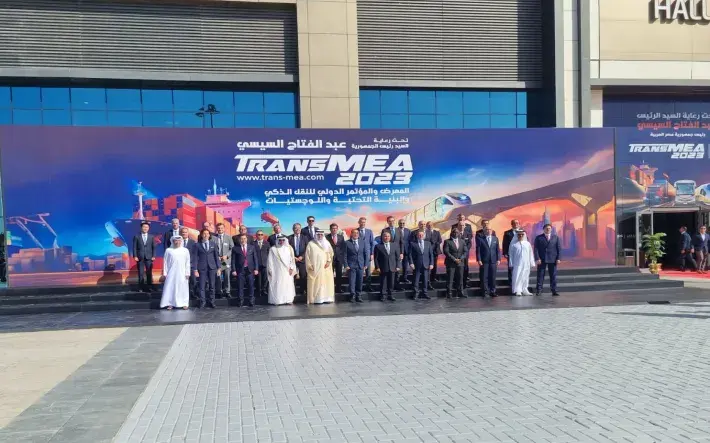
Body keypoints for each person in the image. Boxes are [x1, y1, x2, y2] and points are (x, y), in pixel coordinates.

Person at [160, 236, 191, 310]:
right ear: (173, 241)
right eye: (176, 241)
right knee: (170, 288)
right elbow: (165, 263)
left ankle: (184, 303)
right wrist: (165, 273)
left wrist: (187, 273)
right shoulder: (168, 250)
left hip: (182, 273)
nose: (177, 242)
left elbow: (187, 262)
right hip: (171, 273)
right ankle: (170, 303)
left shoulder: (185, 250)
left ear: (181, 241)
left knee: (183, 288)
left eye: (179, 241)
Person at [305, 229, 335, 304]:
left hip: (325, 268)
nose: (320, 236)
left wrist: (328, 261)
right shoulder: (311, 244)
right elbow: (307, 256)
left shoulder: (327, 243)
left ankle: (327, 298)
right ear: (316, 235)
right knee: (316, 283)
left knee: (326, 283)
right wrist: (309, 265)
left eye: (321, 234)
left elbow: (331, 253)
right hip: (315, 268)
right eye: (318, 234)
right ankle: (317, 299)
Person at [192, 228, 219, 309]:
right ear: (201, 235)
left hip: (212, 268)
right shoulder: (197, 245)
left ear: (209, 235)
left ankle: (212, 302)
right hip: (202, 268)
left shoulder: (213, 244)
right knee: (202, 286)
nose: (206, 235)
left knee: (212, 286)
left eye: (207, 233)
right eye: (204, 233)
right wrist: (195, 269)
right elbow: (195, 258)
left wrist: (219, 268)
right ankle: (203, 302)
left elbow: (216, 257)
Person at [267, 235, 297, 305]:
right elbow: (270, 260)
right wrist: (270, 270)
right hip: (277, 270)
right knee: (278, 284)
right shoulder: (273, 249)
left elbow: (292, 259)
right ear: (277, 241)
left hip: (287, 271)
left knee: (288, 284)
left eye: (283, 240)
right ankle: (278, 300)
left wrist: (292, 268)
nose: (282, 241)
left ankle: (288, 299)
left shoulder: (289, 248)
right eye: (280, 240)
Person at [231, 234, 259, 307]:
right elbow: (233, 260)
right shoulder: (235, 248)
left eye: (244, 238)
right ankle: (240, 301)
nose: (243, 240)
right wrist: (233, 270)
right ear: (239, 240)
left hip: (250, 270)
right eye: (242, 239)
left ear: (247, 239)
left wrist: (256, 269)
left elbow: (255, 259)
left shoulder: (252, 247)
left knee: (251, 286)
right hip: (240, 270)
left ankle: (251, 301)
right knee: (240, 286)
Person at [534, 224, 561, 296]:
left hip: (553, 259)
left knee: (553, 276)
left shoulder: (556, 237)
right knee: (540, 275)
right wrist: (537, 258)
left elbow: (559, 249)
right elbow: (536, 249)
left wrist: (558, 258)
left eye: (549, 228)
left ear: (551, 229)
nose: (548, 229)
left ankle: (554, 290)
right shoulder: (539, 238)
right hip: (542, 259)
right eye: (546, 228)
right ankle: (539, 290)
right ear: (543, 229)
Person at [345, 228, 370, 303]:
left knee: (360, 281)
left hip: (360, 265)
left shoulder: (363, 242)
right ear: (351, 234)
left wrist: (366, 264)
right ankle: (352, 295)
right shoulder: (347, 243)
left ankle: (358, 295)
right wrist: (346, 265)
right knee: (352, 281)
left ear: (358, 234)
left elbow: (366, 253)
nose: (355, 234)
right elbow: (344, 255)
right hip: (351, 265)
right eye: (354, 233)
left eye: (357, 233)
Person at [374, 231, 400, 301]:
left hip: (393, 267)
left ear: (390, 237)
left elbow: (397, 257)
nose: (387, 237)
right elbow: (376, 258)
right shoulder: (378, 246)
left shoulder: (394, 245)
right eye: (385, 236)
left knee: (391, 282)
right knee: (383, 282)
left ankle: (390, 295)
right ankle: (383, 295)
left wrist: (398, 266)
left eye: (388, 236)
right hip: (383, 267)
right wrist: (377, 267)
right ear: (382, 237)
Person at [508, 230, 535, 296]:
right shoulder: (513, 244)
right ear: (517, 235)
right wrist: (511, 263)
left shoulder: (527, 244)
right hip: (517, 264)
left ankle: (525, 289)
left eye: (522, 234)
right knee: (517, 276)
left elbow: (530, 254)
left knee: (525, 277)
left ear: (524, 235)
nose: (520, 236)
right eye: (519, 235)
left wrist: (532, 262)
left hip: (526, 264)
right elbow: (511, 255)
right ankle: (518, 290)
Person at [476, 227, 500, 298]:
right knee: (484, 277)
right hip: (484, 261)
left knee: (492, 277)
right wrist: (479, 259)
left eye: (490, 229)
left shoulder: (495, 239)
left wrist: (498, 259)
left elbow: (497, 250)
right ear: (484, 231)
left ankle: (493, 291)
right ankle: (485, 292)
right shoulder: (480, 239)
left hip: (493, 261)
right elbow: (478, 250)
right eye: (487, 230)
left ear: (492, 231)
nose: (488, 231)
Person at [443, 227, 468, 298]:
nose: (455, 233)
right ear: (451, 233)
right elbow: (446, 252)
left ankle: (460, 292)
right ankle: (449, 293)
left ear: (459, 233)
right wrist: (454, 259)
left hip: (460, 262)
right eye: (454, 232)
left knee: (460, 278)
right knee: (450, 278)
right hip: (451, 263)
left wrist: (461, 258)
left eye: (457, 232)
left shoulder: (462, 241)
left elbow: (465, 251)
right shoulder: (447, 241)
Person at [409, 230, 434, 300]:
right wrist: (411, 263)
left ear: (424, 236)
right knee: (416, 280)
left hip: (426, 264)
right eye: (419, 235)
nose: (420, 236)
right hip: (416, 264)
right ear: (417, 236)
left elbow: (431, 255)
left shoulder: (428, 243)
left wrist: (431, 263)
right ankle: (416, 293)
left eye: (422, 235)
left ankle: (424, 293)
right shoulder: (412, 244)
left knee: (425, 280)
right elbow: (409, 254)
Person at [132, 221, 156, 292]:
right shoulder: (137, 236)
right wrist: (135, 256)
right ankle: (141, 287)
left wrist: (153, 256)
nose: (145, 228)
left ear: (148, 228)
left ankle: (149, 287)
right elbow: (134, 247)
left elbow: (154, 247)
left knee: (149, 273)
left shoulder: (151, 237)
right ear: (141, 228)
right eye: (144, 227)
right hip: (140, 257)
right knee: (141, 273)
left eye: (147, 227)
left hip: (149, 257)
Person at [451, 214, 473, 287]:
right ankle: (456, 283)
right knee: (456, 267)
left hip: (465, 253)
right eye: (460, 218)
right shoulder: (454, 228)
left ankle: (464, 282)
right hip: (456, 253)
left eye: (463, 225)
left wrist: (465, 251)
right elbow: (452, 239)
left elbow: (469, 242)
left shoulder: (468, 230)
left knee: (465, 267)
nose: (462, 226)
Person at [213, 223, 234, 298]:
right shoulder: (213, 238)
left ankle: (227, 291)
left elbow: (232, 248)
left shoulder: (229, 237)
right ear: (216, 229)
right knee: (218, 276)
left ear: (224, 229)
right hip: (217, 261)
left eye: (221, 228)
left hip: (225, 261)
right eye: (218, 228)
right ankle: (219, 291)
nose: (220, 229)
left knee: (226, 275)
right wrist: (216, 257)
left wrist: (227, 256)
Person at [289, 223, 309, 295]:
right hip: (293, 260)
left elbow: (307, 248)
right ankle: (293, 291)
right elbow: (287, 249)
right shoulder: (289, 238)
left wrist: (302, 256)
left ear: (301, 229)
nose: (297, 229)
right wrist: (293, 257)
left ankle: (302, 291)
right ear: (293, 229)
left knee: (303, 276)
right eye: (295, 228)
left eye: (298, 228)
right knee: (293, 276)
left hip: (302, 260)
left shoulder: (305, 237)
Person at [326, 223, 346, 293]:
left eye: (335, 228)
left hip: (339, 259)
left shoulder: (341, 237)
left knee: (339, 274)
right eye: (333, 228)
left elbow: (343, 248)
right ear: (330, 229)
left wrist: (342, 257)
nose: (334, 229)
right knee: (329, 274)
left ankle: (338, 288)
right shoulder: (326, 237)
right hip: (330, 259)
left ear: (337, 229)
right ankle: (330, 289)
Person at [357, 217, 375, 292]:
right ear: (359, 222)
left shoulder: (369, 231)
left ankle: (368, 286)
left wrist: (372, 253)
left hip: (367, 254)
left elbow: (372, 243)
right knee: (359, 272)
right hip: (359, 254)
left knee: (368, 271)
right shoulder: (355, 231)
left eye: (364, 222)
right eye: (361, 222)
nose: (363, 223)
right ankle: (359, 287)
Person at [502, 219, 521, 286]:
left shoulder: (522, 232)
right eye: (514, 223)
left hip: (520, 253)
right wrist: (505, 253)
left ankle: (519, 283)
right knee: (511, 268)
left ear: (519, 224)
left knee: (519, 267)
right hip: (511, 253)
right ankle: (511, 283)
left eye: (517, 223)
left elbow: (526, 242)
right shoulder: (507, 233)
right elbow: (504, 243)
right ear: (512, 224)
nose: (516, 224)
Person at [180, 227, 197, 299]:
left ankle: (192, 293)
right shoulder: (178, 242)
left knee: (193, 280)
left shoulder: (193, 242)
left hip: (191, 264)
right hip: (180, 265)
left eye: (185, 232)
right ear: (181, 233)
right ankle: (182, 294)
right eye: (183, 232)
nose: (184, 233)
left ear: (188, 233)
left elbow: (195, 254)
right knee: (182, 280)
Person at [254, 230, 271, 296]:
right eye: (259, 234)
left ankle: (264, 290)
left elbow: (269, 253)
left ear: (263, 235)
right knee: (258, 279)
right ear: (256, 235)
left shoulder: (267, 243)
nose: (260, 236)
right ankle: (258, 291)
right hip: (256, 264)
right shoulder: (253, 243)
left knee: (265, 278)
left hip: (265, 264)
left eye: (261, 234)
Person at [427, 221, 442, 288]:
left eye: (431, 225)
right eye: (428, 225)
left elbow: (440, 240)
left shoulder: (437, 232)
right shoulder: (425, 232)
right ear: (427, 226)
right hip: (427, 251)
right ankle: (427, 278)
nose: (430, 226)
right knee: (427, 265)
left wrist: (435, 244)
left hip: (435, 251)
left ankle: (433, 277)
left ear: (433, 225)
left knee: (434, 265)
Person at [396, 219, 411, 288]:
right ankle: (397, 279)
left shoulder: (408, 231)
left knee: (405, 266)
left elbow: (410, 241)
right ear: (398, 223)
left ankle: (404, 278)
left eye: (403, 223)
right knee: (397, 266)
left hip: (406, 251)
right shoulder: (395, 230)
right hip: (398, 251)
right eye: (400, 223)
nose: (402, 224)